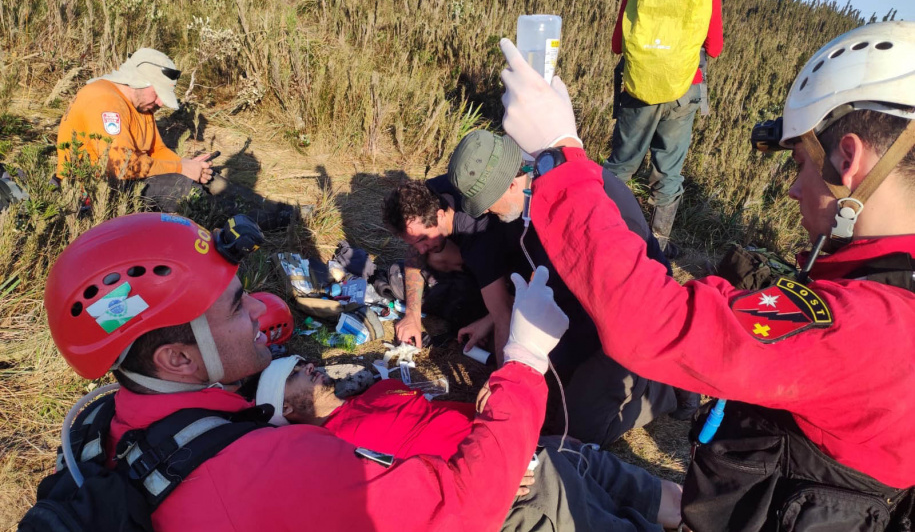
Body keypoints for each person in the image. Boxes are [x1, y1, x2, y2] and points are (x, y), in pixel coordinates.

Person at [498, 20, 915, 530]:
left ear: (848, 159)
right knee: (568, 467)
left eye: (801, 163)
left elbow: (658, 324)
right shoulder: (879, 288)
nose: (793, 189)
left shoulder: (874, 325)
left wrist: (559, 158)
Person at [43, 211, 570, 531]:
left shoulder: (112, 432)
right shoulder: (272, 465)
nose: (259, 312)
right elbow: (462, 513)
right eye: (234, 307)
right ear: (178, 359)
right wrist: (523, 361)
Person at [446, 129, 686, 445]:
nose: (488, 212)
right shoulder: (523, 207)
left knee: (574, 434)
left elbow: (631, 298)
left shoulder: (585, 201)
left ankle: (661, 388)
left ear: (513, 183)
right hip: (577, 315)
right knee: (544, 405)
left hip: (628, 321)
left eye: (489, 203)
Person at [255, 355, 684, 531]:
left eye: (304, 361)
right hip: (511, 483)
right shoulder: (331, 451)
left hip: (531, 441)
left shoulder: (375, 391)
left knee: (666, 496)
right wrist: (483, 478)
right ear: (288, 410)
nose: (309, 365)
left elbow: (435, 415)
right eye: (295, 372)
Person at [56, 48, 303, 230]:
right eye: (158, 93)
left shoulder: (142, 105)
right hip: (97, 190)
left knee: (208, 177)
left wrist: (189, 167)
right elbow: (120, 167)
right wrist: (181, 169)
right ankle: (264, 222)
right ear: (139, 81)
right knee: (186, 190)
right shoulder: (104, 100)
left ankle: (280, 210)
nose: (161, 103)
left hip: (130, 179)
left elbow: (157, 150)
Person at [605, 0, 723, 258]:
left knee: (621, 165)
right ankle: (657, 246)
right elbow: (715, 47)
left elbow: (618, 43)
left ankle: (605, 232)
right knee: (669, 171)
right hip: (685, 88)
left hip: (640, 86)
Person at [382, 178, 513, 352]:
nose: (420, 250)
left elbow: (503, 315)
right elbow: (415, 253)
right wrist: (412, 315)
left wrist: (488, 321)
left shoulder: (476, 237)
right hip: (482, 260)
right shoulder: (429, 194)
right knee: (432, 258)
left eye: (422, 239)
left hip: (520, 270)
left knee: (497, 338)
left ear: (440, 215)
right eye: (415, 243)